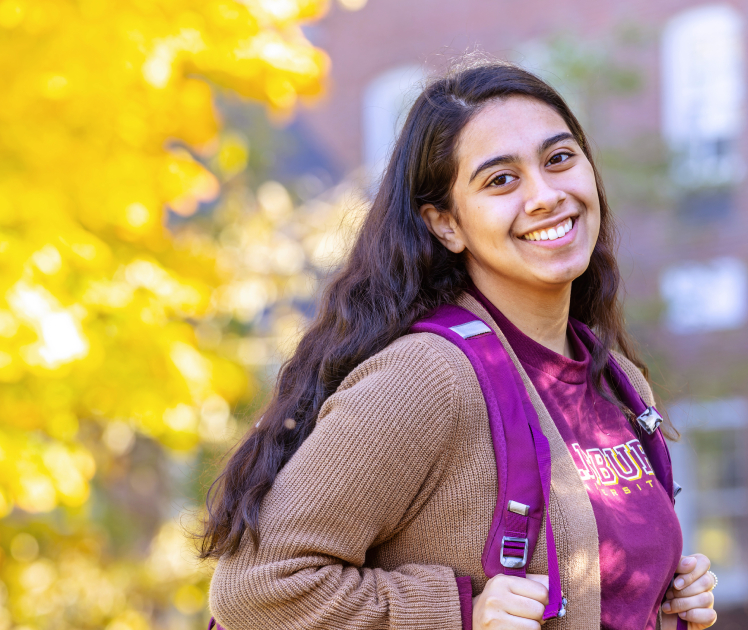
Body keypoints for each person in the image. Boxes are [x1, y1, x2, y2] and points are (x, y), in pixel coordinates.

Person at [199, 58, 719, 630]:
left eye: (559, 159)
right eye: (501, 179)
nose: (545, 195)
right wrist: (459, 614)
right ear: (446, 224)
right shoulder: (425, 379)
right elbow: (256, 586)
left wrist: (664, 593)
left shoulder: (614, 378)